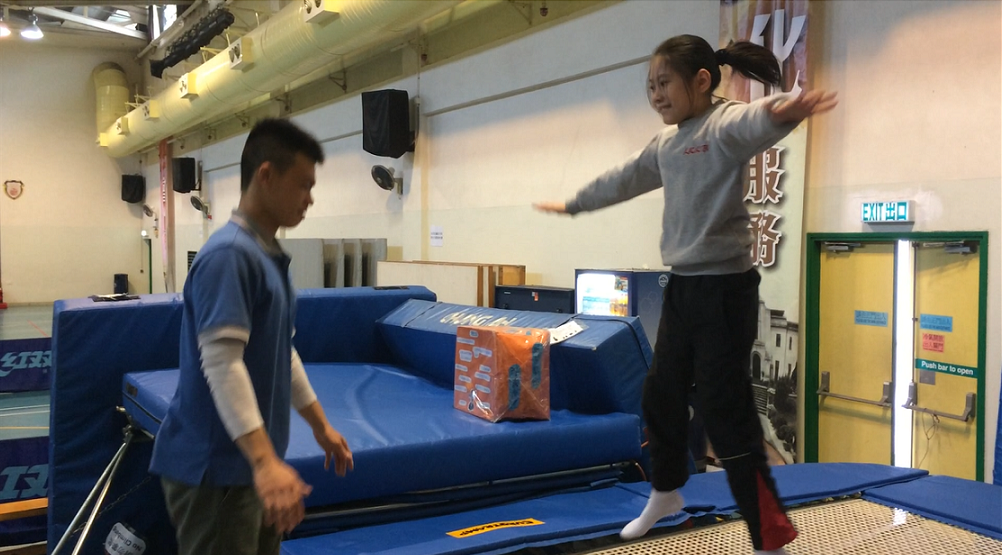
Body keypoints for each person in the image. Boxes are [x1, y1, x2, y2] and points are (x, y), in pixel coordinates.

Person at [535, 35, 836, 555]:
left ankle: (769, 537)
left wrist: (785, 111)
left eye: (664, 83)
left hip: (725, 291)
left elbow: (755, 119)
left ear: (700, 81)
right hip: (684, 286)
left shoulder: (722, 126)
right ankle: (667, 489)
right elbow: (625, 177)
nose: (656, 95)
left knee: (726, 412)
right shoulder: (667, 143)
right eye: (650, 86)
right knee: (660, 393)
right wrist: (576, 203)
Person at [150, 118, 354, 555]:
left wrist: (320, 426)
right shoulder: (229, 255)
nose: (310, 199)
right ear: (266, 175)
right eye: (303, 185)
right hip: (217, 472)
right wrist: (263, 461)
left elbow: (284, 354)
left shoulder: (267, 256)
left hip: (249, 467)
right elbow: (222, 364)